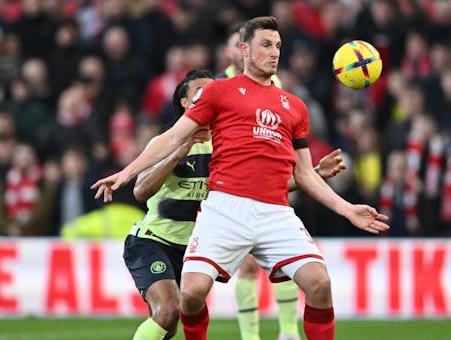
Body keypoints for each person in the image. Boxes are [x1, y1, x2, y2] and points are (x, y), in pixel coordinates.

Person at [92, 17, 389, 340]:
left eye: (277, 45)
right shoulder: (219, 91)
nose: (274, 52)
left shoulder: (295, 106)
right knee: (190, 294)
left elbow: (303, 174)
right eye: (265, 44)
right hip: (224, 208)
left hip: (275, 211)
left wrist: (347, 209)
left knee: (320, 283)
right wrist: (126, 172)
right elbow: (173, 136)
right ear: (244, 50)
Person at [122, 69, 346, 340]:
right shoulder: (167, 140)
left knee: (170, 325)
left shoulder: (230, 143)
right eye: (201, 93)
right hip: (155, 240)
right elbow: (141, 190)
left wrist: (315, 173)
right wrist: (178, 152)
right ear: (185, 103)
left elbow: (266, 186)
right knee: (168, 312)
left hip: (197, 246)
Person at [221, 22, 298, 340]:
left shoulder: (273, 82)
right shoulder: (220, 86)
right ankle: (252, 336)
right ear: (237, 50)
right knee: (250, 266)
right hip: (236, 185)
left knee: (286, 261)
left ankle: (289, 331)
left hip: (274, 180)